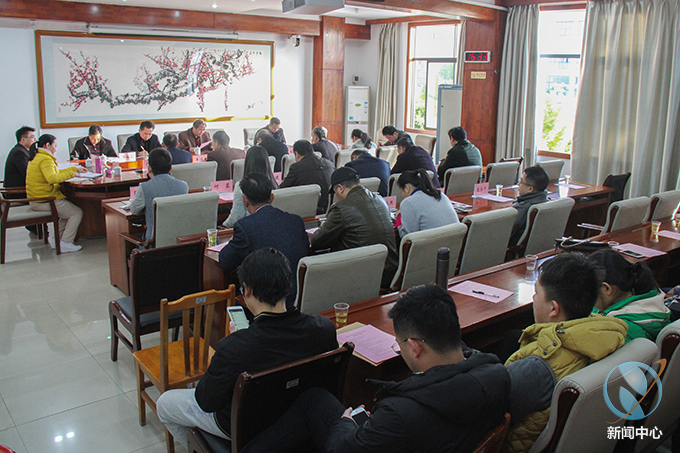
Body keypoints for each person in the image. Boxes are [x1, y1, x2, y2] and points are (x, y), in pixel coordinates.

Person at [241, 284, 511, 453]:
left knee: (314, 404)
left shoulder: (400, 414)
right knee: (315, 400)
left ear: (415, 347)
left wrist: (346, 424)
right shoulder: (497, 374)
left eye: (399, 344)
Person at [157, 247, 337, 449]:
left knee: (165, 403)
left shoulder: (234, 347)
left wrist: (238, 341)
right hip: (294, 418)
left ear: (247, 291)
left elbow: (206, 401)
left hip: (241, 426)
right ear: (288, 288)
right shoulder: (323, 329)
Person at [503, 253, 628, 453]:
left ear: (553, 309)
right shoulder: (606, 335)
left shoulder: (537, 368)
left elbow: (487, 412)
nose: (534, 299)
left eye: (536, 293)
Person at [219, 173, 309, 309]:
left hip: (267, 301)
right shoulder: (296, 221)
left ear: (245, 201)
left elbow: (225, 260)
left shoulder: (245, 227)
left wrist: (232, 241)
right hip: (298, 296)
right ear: (272, 198)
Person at [311, 167, 398, 290]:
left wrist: (323, 227)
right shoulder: (380, 200)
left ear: (340, 188)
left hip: (363, 276)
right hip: (389, 273)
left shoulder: (341, 208)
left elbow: (317, 242)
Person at [588, 249, 670, 342]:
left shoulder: (620, 329)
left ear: (606, 289)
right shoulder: (647, 298)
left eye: (588, 291)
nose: (587, 298)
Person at [26, 134, 84, 253]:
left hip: (37, 198)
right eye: (55, 146)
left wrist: (74, 169)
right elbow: (52, 178)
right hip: (44, 200)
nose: (56, 149)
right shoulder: (45, 159)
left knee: (66, 213)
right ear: (48, 145)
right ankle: (66, 242)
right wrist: (71, 174)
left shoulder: (38, 156)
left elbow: (55, 173)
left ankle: (57, 240)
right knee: (76, 213)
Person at [129, 148, 189, 241]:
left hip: (153, 243)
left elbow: (134, 210)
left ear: (149, 168)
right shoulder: (183, 186)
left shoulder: (145, 187)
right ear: (171, 168)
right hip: (179, 240)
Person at [223, 145, 278, 228]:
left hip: (249, 229)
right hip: (273, 227)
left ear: (247, 163)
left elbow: (236, 218)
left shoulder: (241, 186)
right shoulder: (275, 184)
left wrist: (222, 226)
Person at [396, 170, 459, 238]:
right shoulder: (440, 195)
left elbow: (407, 237)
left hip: (432, 243)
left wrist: (399, 217)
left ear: (407, 188)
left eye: (401, 192)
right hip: (454, 241)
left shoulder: (408, 202)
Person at [280, 139, 334, 214]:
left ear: (297, 154)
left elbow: (283, 189)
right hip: (329, 209)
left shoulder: (297, 167)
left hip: (307, 211)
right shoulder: (330, 164)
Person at [509, 166, 549, 247]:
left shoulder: (522, 208)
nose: (518, 185)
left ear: (530, 189)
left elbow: (506, 232)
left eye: (521, 182)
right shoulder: (547, 202)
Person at [4, 126, 36, 200]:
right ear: (23, 139)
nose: (34, 140)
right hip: (17, 192)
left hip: (21, 189)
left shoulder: (22, 150)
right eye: (32, 137)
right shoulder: (19, 153)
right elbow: (28, 173)